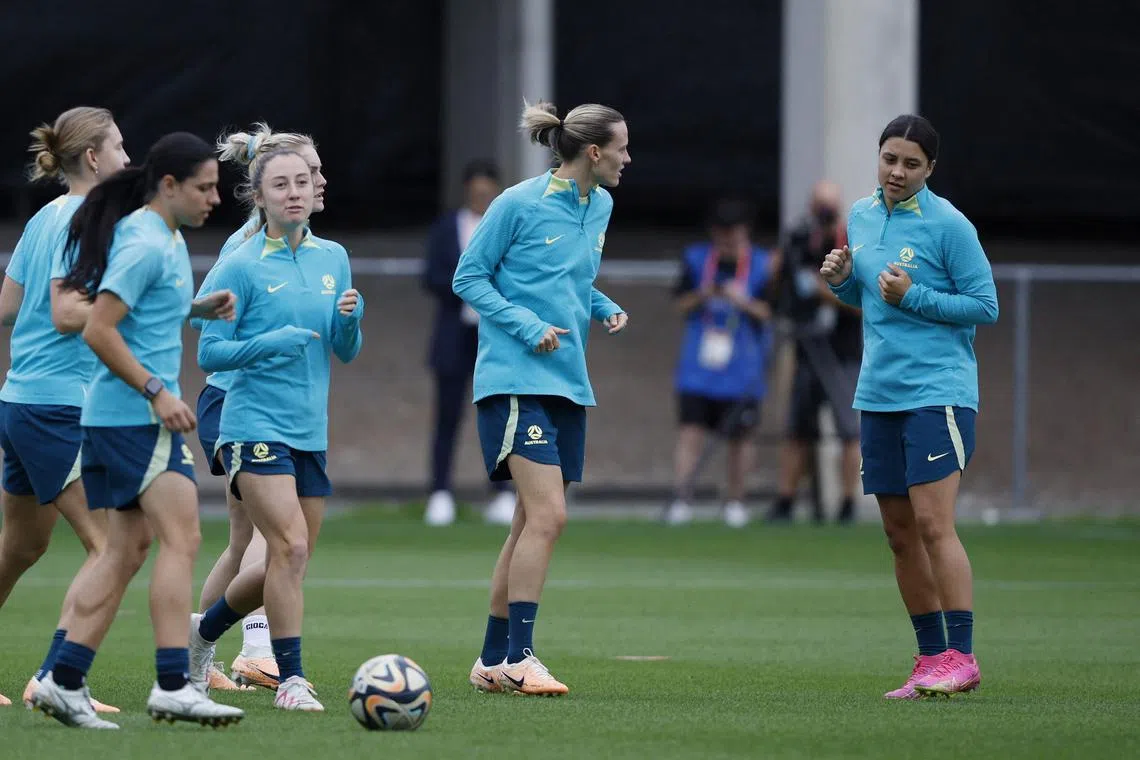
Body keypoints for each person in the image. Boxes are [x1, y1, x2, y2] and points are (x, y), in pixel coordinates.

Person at [29, 132, 244, 729]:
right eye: (204, 187)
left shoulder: (164, 238)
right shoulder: (146, 242)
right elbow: (98, 328)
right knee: (184, 540)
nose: (214, 197)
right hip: (132, 418)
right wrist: (157, 392)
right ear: (169, 186)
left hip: (112, 418)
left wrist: (198, 309)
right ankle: (175, 683)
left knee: (126, 550)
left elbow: (137, 313)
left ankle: (61, 678)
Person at [454, 100, 629, 696]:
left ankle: (491, 660)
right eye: (623, 149)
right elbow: (468, 276)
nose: (629, 160)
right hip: (513, 380)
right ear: (594, 152)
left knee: (529, 522)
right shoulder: (518, 203)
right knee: (550, 516)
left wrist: (601, 308)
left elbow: (568, 280)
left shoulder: (600, 204)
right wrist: (528, 327)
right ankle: (522, 657)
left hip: (569, 383)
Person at [820, 114, 998, 699]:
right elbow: (870, 300)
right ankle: (930, 660)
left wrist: (913, 294)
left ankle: (963, 658)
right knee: (898, 533)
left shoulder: (950, 225)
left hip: (937, 391)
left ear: (930, 169)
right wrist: (844, 282)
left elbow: (984, 305)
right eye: (889, 159)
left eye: (911, 164)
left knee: (932, 524)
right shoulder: (863, 216)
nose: (897, 171)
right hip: (879, 393)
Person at [192, 148, 363, 712]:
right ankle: (291, 679)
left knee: (286, 557)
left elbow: (346, 351)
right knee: (287, 545)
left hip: (309, 430)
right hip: (250, 424)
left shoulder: (333, 257)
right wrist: (269, 343)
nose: (294, 191)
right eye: (281, 184)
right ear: (259, 197)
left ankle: (202, 635)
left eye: (302, 181)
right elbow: (208, 348)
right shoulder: (241, 262)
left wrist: (350, 320)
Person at [0, 107, 127, 713]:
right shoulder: (85, 219)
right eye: (121, 148)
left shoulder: (45, 216)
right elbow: (63, 312)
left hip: (20, 402)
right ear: (96, 158)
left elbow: (6, 307)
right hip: (56, 410)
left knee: (21, 548)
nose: (129, 160)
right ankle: (55, 679)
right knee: (113, 548)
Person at [665, 198, 776, 528]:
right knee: (690, 435)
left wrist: (742, 301)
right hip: (698, 369)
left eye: (735, 236)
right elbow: (679, 304)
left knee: (741, 440)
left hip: (743, 370)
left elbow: (770, 312)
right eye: (722, 236)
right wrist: (705, 294)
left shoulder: (763, 264)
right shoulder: (696, 260)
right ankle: (682, 499)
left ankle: (736, 502)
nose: (728, 243)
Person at [422, 159, 516, 526]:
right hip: (454, 335)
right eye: (476, 192)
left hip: (495, 336)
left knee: (498, 415)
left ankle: (502, 492)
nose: (482, 197)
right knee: (447, 416)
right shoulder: (447, 228)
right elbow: (430, 276)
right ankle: (440, 492)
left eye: (487, 192)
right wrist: (469, 286)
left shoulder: (507, 227)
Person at [769, 180, 862, 524]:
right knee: (797, 429)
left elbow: (864, 306)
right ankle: (786, 501)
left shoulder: (851, 245)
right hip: (807, 347)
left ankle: (848, 504)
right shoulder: (799, 242)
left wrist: (825, 293)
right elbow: (780, 293)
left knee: (848, 430)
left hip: (843, 352)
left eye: (829, 207)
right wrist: (780, 273)